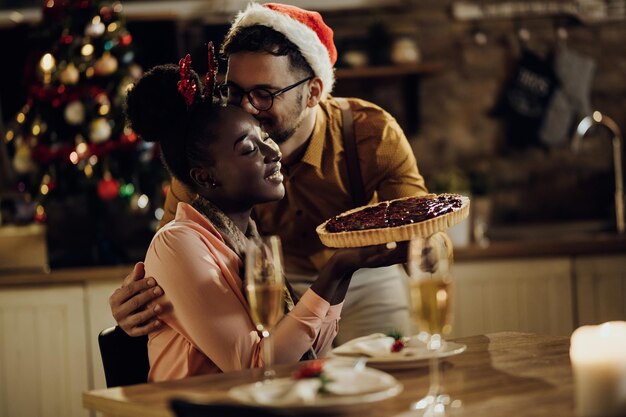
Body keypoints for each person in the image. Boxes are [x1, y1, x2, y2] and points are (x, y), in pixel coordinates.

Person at [110, 3, 429, 344]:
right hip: (269, 285)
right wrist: (133, 301)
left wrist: (425, 252)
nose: (246, 107)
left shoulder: (369, 133)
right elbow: (170, 250)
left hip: (366, 279)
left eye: (264, 94)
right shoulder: (212, 158)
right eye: (234, 91)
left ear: (313, 92)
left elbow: (421, 224)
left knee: (386, 376)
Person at [126, 56, 408, 381]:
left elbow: (311, 348)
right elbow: (256, 366)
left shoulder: (248, 239)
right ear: (204, 178)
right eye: (248, 149)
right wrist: (335, 270)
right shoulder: (179, 242)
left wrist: (345, 269)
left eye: (264, 137)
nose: (273, 153)